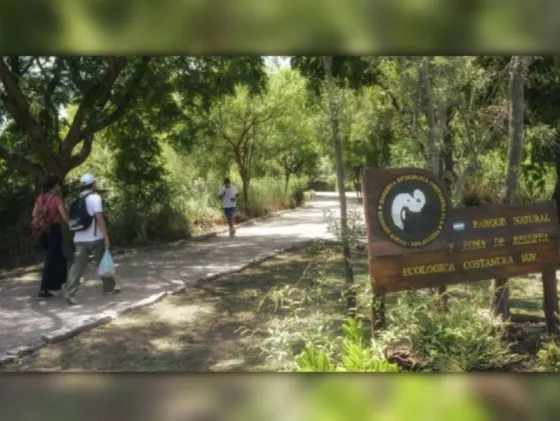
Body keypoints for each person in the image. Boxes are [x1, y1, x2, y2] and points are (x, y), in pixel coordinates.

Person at [65, 173, 120, 305]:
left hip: (79, 238)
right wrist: (106, 236)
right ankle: (109, 288)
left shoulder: (76, 198)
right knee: (102, 263)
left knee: (77, 266)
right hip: (95, 238)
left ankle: (70, 292)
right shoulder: (95, 198)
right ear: (93, 184)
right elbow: (99, 219)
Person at [32, 175, 70, 300]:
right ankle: (44, 290)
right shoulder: (56, 199)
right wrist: (72, 224)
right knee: (50, 260)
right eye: (59, 184)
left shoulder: (41, 198)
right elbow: (64, 216)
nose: (60, 186)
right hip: (54, 229)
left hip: (43, 230)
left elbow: (34, 214)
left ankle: (61, 283)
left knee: (59, 256)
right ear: (54, 185)